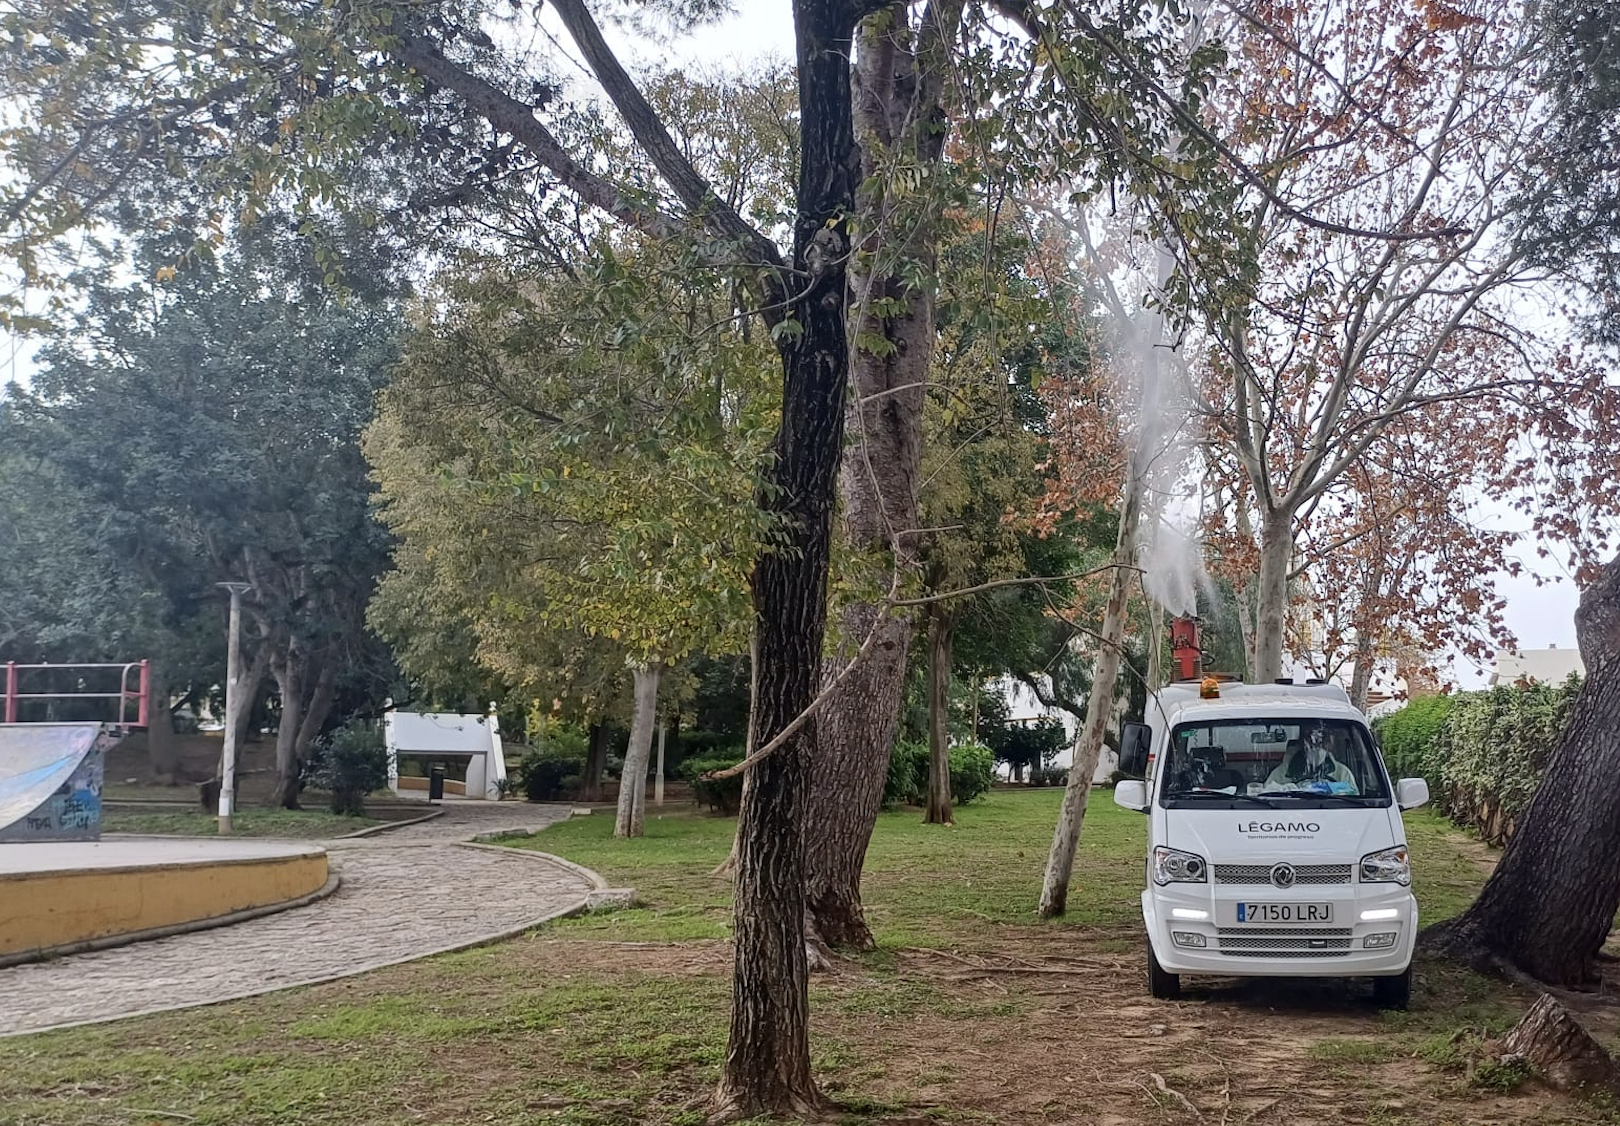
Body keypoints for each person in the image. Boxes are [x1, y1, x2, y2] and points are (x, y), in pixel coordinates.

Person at [1265, 725, 1357, 792]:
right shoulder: (1280, 775)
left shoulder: (1343, 774)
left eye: (1322, 739)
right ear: (1302, 742)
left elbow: (1354, 803)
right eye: (1311, 739)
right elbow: (1266, 799)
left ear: (1329, 743)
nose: (1316, 745)